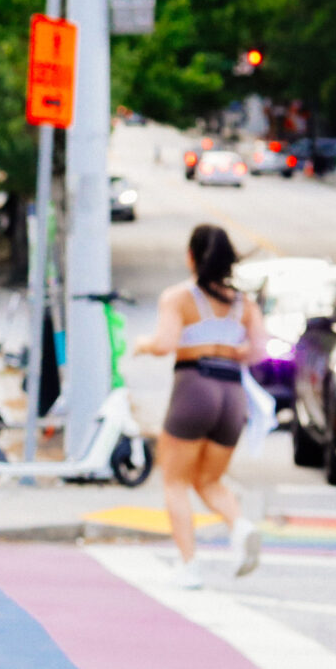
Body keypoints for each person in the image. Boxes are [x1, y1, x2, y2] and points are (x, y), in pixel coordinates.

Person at [131, 222, 267, 588]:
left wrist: (141, 344)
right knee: (209, 479)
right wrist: (233, 349)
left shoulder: (179, 298)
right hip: (232, 394)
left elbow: (164, 344)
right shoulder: (244, 304)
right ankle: (240, 527)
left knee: (174, 480)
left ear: (191, 256)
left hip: (195, 387)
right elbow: (258, 351)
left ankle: (189, 566)